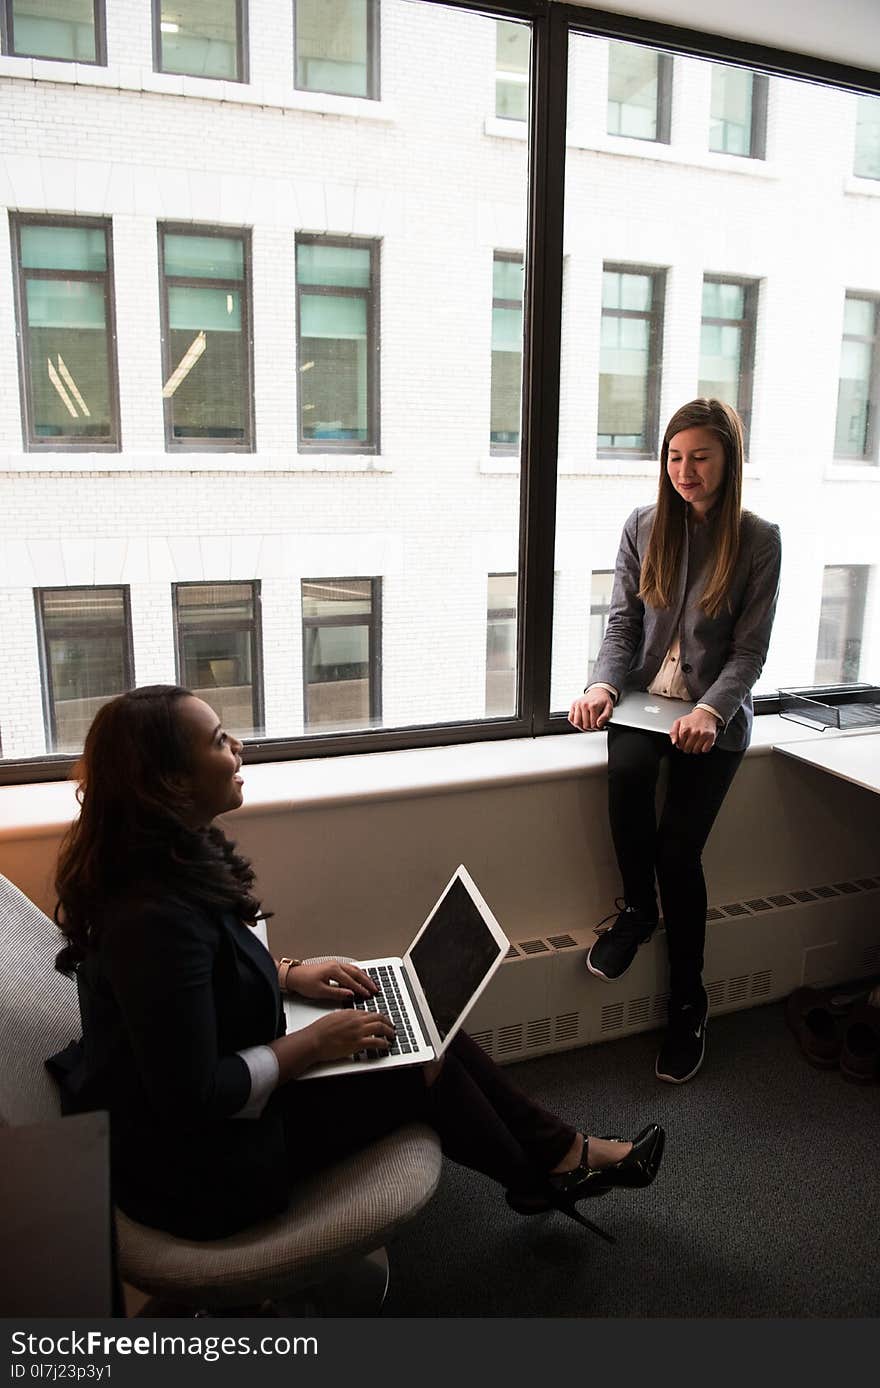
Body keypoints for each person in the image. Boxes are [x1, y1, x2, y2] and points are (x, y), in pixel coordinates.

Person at [49, 685, 664, 1245]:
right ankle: (553, 1168)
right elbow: (194, 1099)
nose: (237, 745)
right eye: (216, 740)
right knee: (420, 1063)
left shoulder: (172, 858)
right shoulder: (153, 917)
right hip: (195, 1169)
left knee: (416, 1020)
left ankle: (556, 1161)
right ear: (171, 783)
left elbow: (208, 969)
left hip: (218, 1108)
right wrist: (315, 1044)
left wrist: (290, 974)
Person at [569, 399, 782, 1085]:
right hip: (644, 704)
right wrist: (603, 686)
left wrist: (713, 712)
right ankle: (636, 908)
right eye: (675, 457)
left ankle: (689, 1002)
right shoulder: (642, 526)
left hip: (711, 720)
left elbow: (749, 654)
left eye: (701, 456)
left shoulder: (758, 540)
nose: (685, 470)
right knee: (626, 770)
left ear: (728, 461)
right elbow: (622, 626)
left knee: (678, 851)